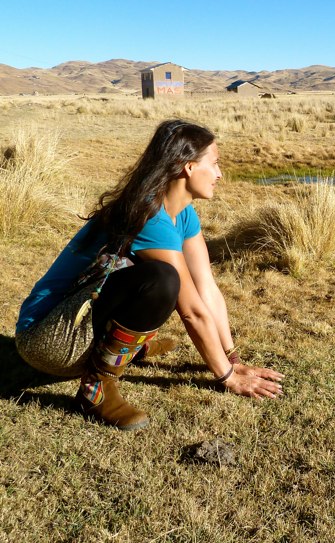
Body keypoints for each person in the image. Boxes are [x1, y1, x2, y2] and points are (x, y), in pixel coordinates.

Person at [14, 119, 284, 430]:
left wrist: (233, 358)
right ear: (188, 167)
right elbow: (192, 311)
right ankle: (96, 388)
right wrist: (227, 377)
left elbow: (206, 287)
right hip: (48, 340)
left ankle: (124, 349)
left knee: (169, 279)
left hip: (80, 326)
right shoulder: (148, 215)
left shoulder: (183, 214)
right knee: (163, 280)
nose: (220, 174)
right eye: (215, 163)